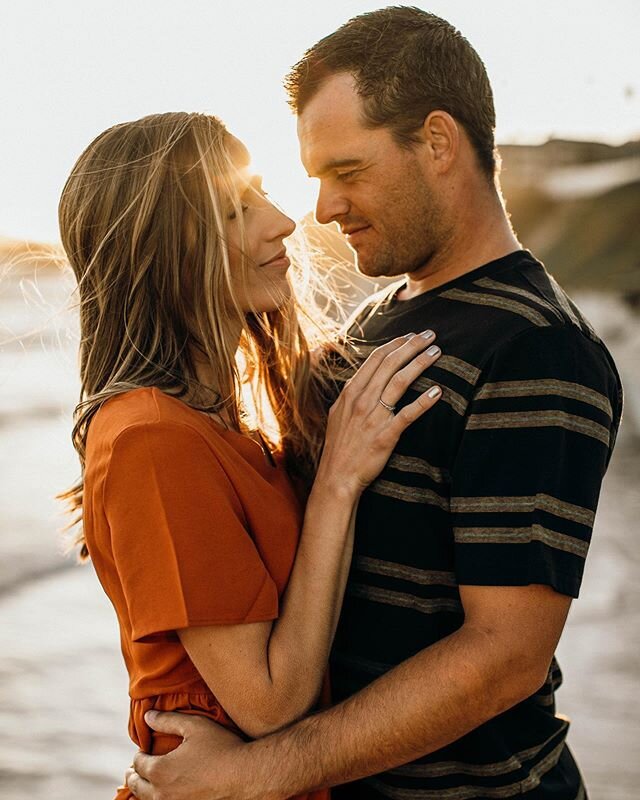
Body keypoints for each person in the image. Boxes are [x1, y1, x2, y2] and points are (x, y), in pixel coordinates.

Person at [125, 7, 624, 800]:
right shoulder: (381, 315)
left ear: (437, 142)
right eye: (315, 176)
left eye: (347, 172)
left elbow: (504, 657)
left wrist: (258, 773)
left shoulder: (535, 348)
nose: (322, 208)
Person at [58, 110, 444, 800]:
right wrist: (338, 482)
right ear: (165, 253)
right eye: (237, 209)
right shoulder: (152, 439)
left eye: (261, 194)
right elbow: (268, 703)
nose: (282, 223)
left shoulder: (226, 423)